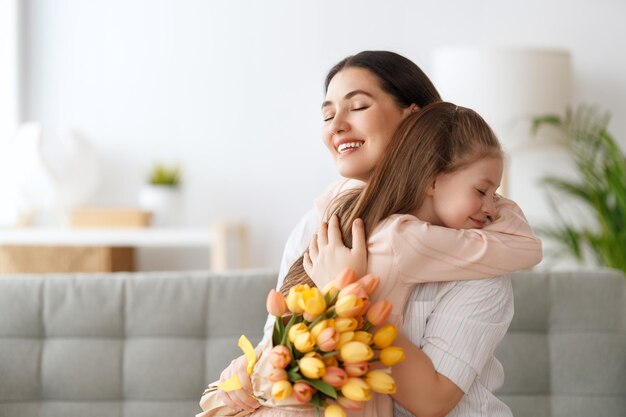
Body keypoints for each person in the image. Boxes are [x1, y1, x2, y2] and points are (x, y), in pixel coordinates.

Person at [214, 51, 542, 417]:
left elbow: (431, 401)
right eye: (327, 114)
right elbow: (281, 349)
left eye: (357, 106)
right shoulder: (318, 225)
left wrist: (345, 291)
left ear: (414, 117)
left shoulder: (478, 246)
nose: (336, 125)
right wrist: (248, 371)